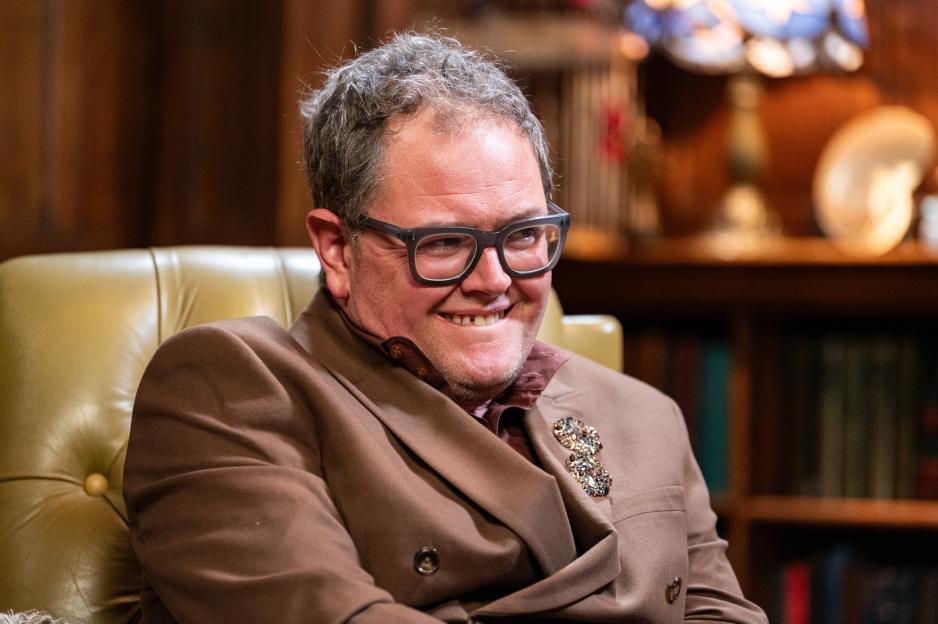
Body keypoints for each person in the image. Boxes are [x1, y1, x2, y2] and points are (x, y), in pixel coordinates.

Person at [124, 32, 767, 623]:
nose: (494, 279)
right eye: (443, 243)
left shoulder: (643, 414)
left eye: (524, 235)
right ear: (337, 250)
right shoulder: (229, 390)